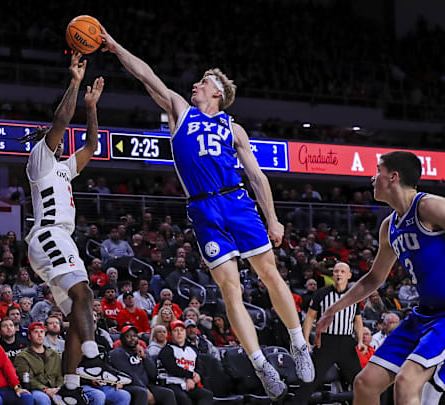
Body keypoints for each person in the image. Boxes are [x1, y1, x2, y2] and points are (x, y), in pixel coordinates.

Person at [100, 27, 313, 399]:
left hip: (237, 201)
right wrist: (116, 47)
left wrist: (273, 217)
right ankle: (261, 366)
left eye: (203, 81)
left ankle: (298, 344)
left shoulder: (234, 128)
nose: (195, 84)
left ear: (218, 92)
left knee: (269, 274)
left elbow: (257, 176)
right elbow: (147, 75)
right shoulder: (180, 111)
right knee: (230, 290)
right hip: (203, 207)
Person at [21, 52, 130, 404]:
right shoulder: (39, 158)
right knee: (84, 294)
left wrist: (93, 106)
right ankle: (94, 360)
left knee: (80, 310)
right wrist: (75, 82)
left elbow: (91, 146)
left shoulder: (65, 168)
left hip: (59, 239)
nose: (52, 134)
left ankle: (70, 387)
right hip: (49, 234)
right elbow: (61, 119)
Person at [315, 151, 445, 403]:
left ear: (393, 177)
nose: (372, 178)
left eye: (377, 171)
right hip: (424, 315)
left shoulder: (428, 206)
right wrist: (334, 309)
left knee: (407, 382)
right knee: (365, 384)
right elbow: (374, 278)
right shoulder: (389, 226)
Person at [294, 262, 365, 404]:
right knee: (310, 381)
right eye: (336, 271)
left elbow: (357, 320)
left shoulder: (354, 296)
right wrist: (306, 340)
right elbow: (309, 318)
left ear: (349, 275)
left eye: (342, 271)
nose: (339, 274)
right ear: (332, 275)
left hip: (346, 343)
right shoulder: (321, 293)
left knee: (360, 382)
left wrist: (361, 340)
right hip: (326, 342)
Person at [110, 324, 176, 405]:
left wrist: (144, 357)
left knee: (168, 393)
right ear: (122, 338)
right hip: (128, 385)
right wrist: (146, 389)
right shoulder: (117, 353)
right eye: (128, 336)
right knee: (142, 393)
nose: (132, 338)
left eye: (134, 336)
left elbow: (153, 374)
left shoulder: (142, 351)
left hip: (146, 385)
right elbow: (129, 374)